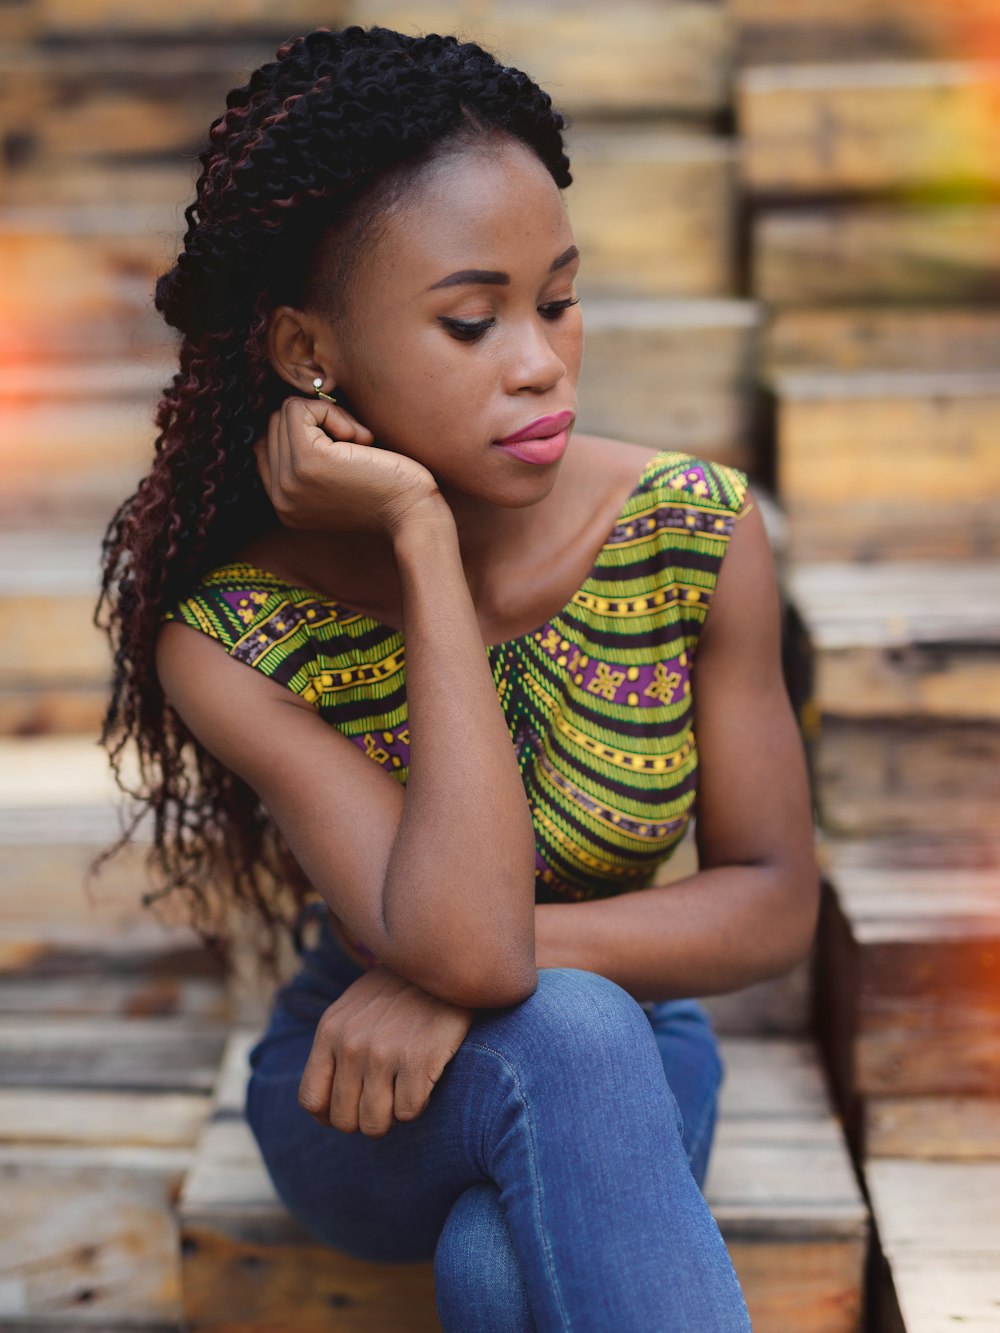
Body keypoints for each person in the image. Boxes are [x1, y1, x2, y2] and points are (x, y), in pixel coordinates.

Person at [94, 23, 819, 1331]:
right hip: (368, 1088)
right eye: (473, 321)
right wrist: (423, 541)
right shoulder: (238, 630)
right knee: (574, 1034)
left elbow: (771, 903)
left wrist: (485, 973)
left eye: (559, 299)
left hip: (620, 1045)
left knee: (502, 1256)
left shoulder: (692, 530)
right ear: (311, 354)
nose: (540, 361)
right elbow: (463, 935)